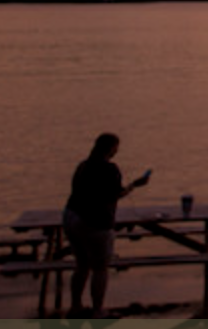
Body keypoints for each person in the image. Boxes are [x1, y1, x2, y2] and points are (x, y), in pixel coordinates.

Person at [63, 132, 149, 317]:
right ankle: (98, 310)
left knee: (82, 265)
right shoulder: (110, 169)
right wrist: (135, 185)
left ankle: (75, 307)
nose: (117, 151)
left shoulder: (82, 166)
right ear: (111, 149)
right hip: (95, 223)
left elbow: (76, 191)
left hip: (71, 216)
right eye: (116, 147)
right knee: (100, 269)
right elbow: (116, 194)